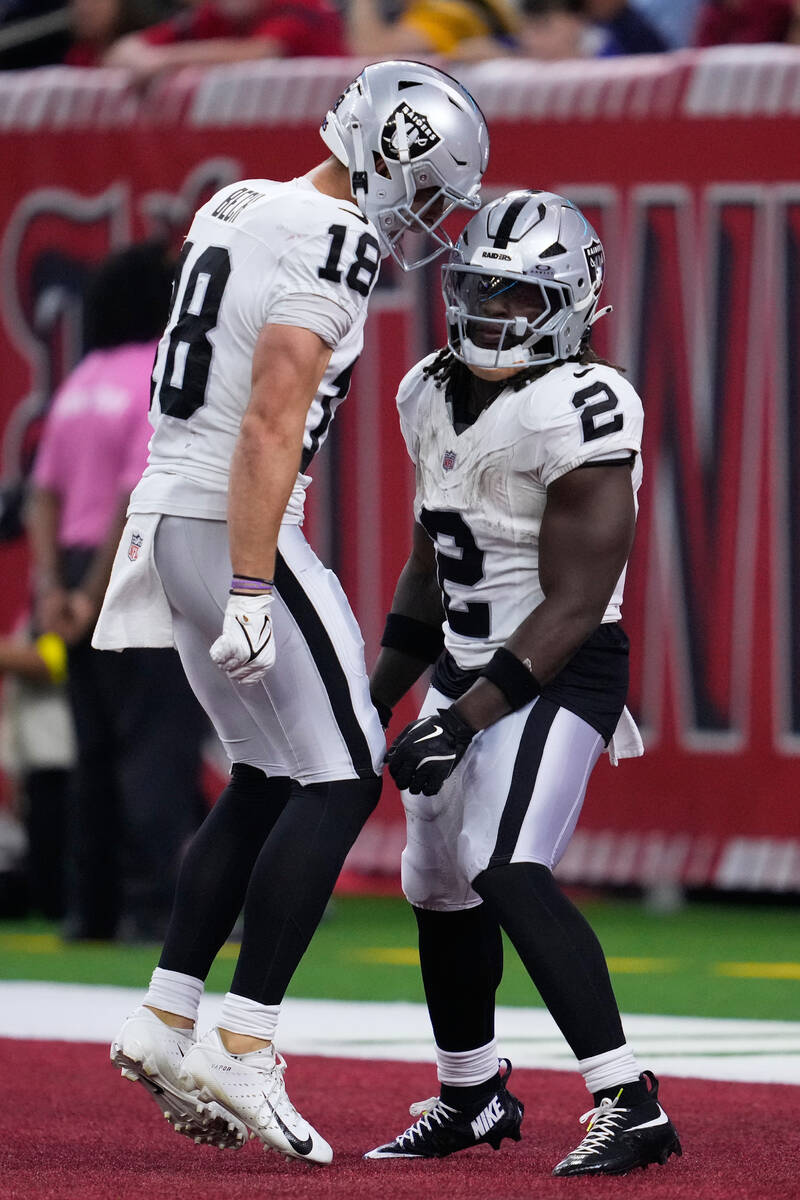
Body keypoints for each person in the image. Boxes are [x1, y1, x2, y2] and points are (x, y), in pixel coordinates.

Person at [92, 60, 489, 1165]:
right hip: (232, 523)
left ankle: (171, 1015)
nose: (421, 215)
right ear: (391, 152)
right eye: (424, 186)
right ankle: (246, 1039)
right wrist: (259, 582)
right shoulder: (336, 238)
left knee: (273, 776)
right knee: (345, 773)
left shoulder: (237, 201)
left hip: (169, 513)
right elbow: (272, 417)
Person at [364, 190, 682, 1176]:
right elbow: (430, 561)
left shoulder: (583, 405)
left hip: (555, 669)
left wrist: (459, 721)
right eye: (481, 291)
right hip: (463, 663)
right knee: (436, 881)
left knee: (502, 862)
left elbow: (575, 602)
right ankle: (469, 1093)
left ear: (568, 302)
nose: (492, 315)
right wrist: (376, 692)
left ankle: (628, 1101)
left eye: (517, 298)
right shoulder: (425, 387)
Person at [27, 241, 208, 942]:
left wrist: (55, 591)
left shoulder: (81, 381)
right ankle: (152, 906)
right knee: (156, 743)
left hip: (72, 567)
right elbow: (137, 494)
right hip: (131, 565)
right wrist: (102, 591)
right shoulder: (159, 373)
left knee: (94, 749)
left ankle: (90, 909)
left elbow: (43, 496)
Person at [103, 0, 345, 85]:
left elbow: (258, 52)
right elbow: (122, 49)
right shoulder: (215, 13)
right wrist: (143, 59)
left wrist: (164, 60)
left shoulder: (302, 6)